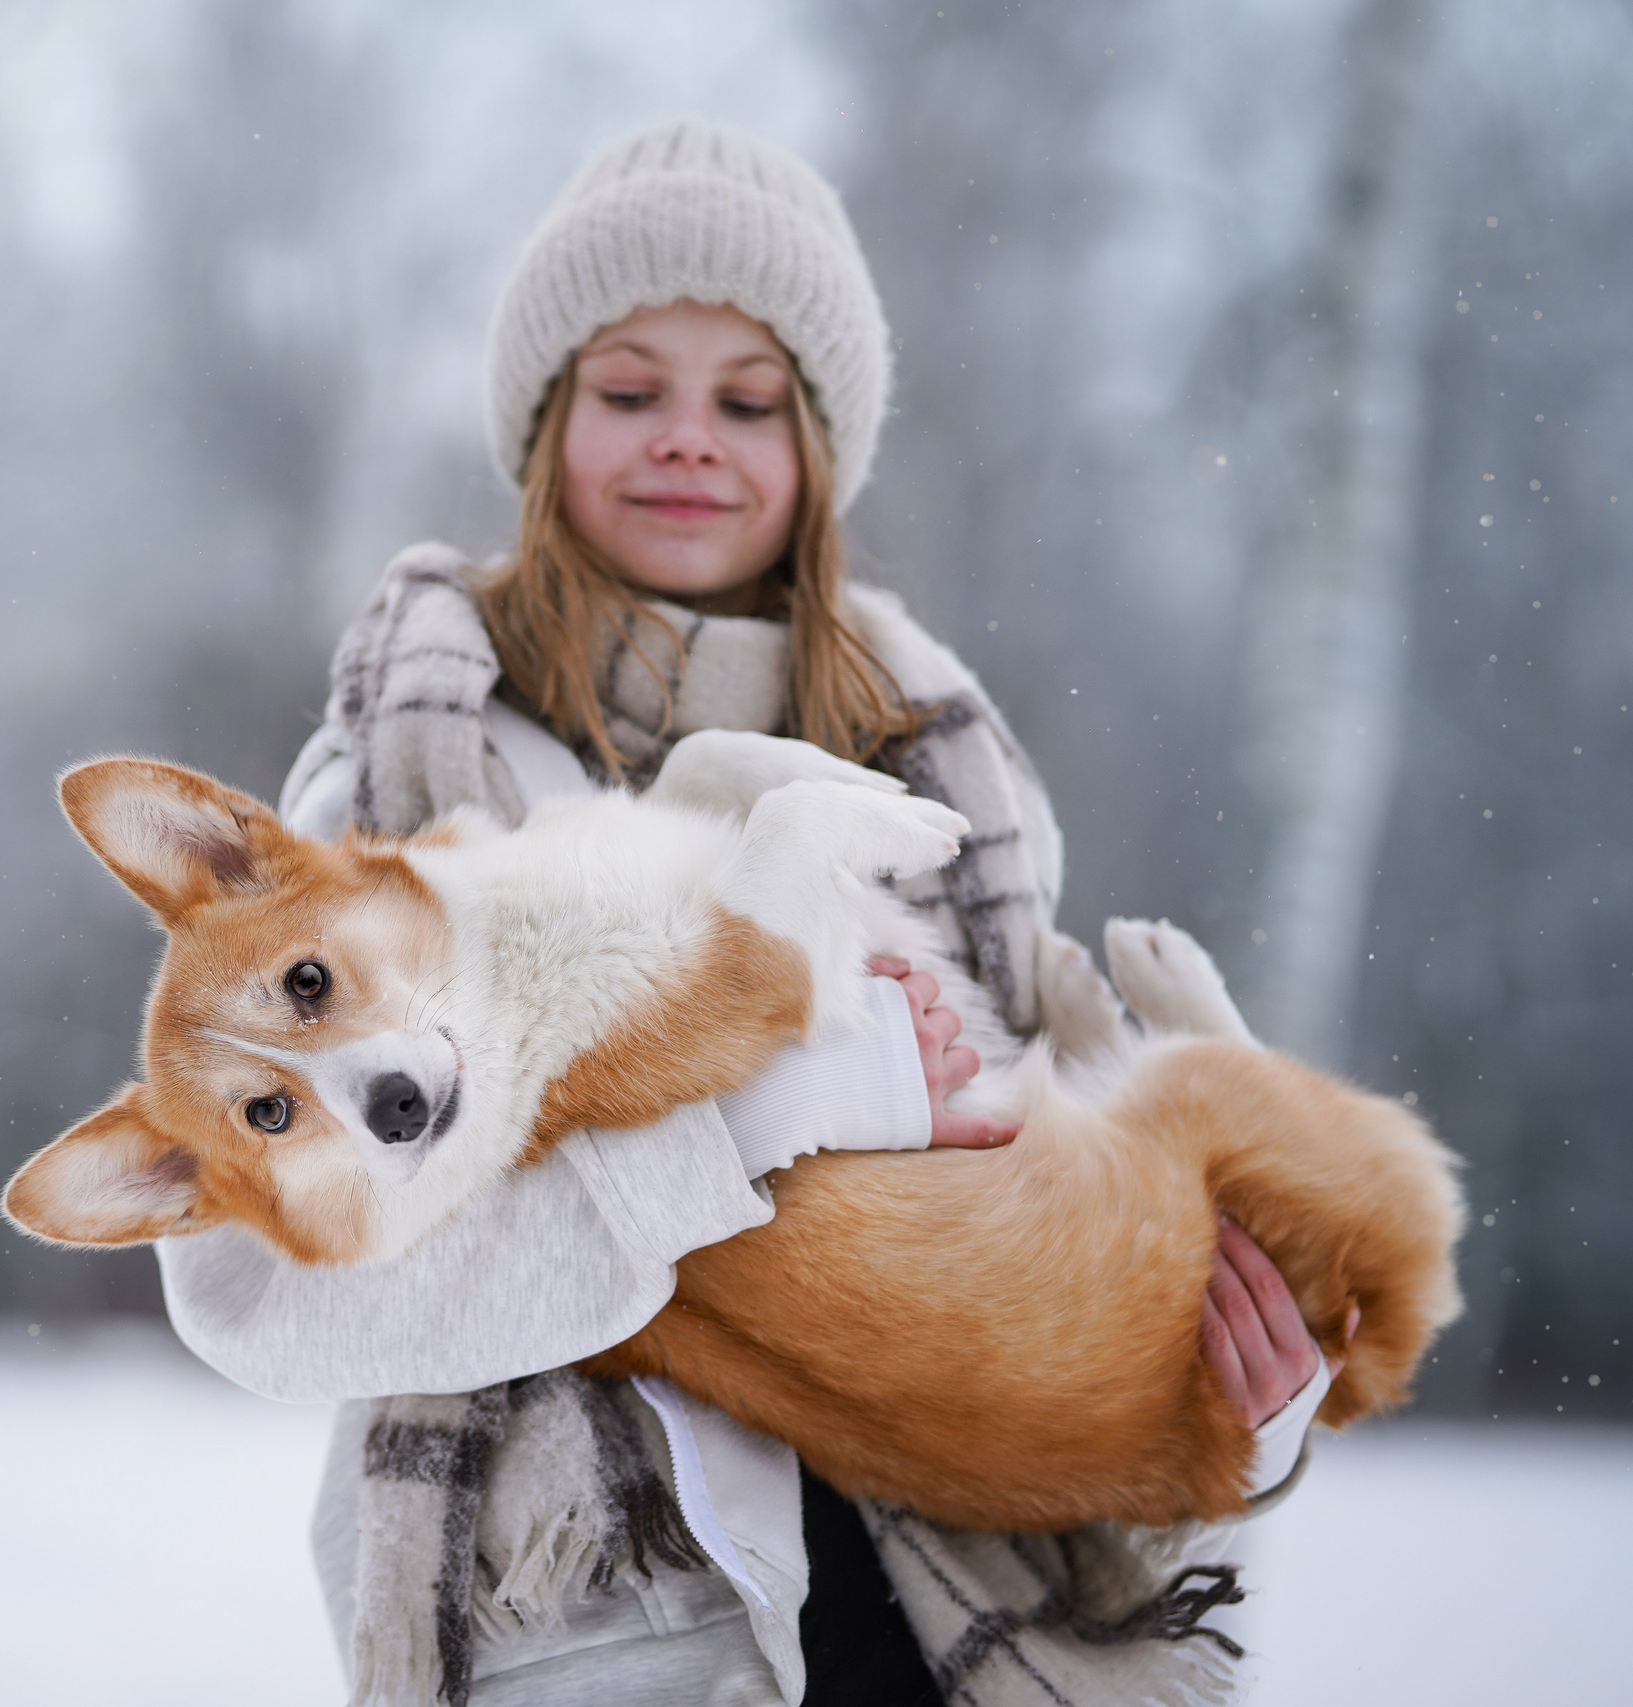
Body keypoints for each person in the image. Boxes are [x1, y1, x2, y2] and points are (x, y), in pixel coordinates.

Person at [158, 122, 1334, 1707]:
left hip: (974, 1630)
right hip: (605, 1639)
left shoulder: (943, 781)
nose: (688, 440)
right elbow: (267, 1287)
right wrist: (748, 1105)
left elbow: (1070, 1191)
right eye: (631, 391)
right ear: (544, 427)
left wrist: (1230, 1398)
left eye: (750, 401)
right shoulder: (406, 796)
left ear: (820, 449)